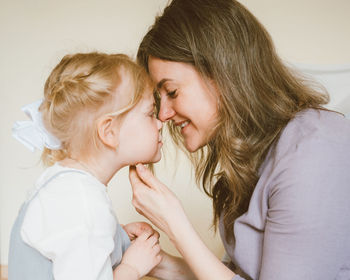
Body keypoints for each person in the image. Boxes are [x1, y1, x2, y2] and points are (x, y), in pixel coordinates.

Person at [128, 0, 350, 279]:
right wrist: (154, 260)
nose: (163, 114)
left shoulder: (315, 150)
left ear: (222, 74)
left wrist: (175, 225)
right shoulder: (252, 160)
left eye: (171, 92)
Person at [9, 52, 163, 280]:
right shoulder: (84, 203)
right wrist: (132, 268)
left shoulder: (64, 187)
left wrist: (115, 236)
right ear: (109, 132)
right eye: (150, 113)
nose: (161, 123)